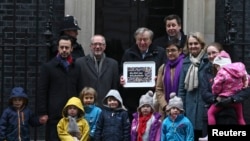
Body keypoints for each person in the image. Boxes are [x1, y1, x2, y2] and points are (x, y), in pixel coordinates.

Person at [199, 42, 250, 141]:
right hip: (213, 115)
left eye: (214, 53)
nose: (211, 56)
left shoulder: (236, 69)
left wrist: (232, 99)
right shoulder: (206, 72)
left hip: (231, 116)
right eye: (208, 54)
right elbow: (204, 93)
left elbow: (246, 89)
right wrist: (216, 98)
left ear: (221, 53)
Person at [37, 35, 83, 141]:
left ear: (71, 49)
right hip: (54, 114)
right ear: (58, 48)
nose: (64, 50)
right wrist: (42, 112)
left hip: (72, 114)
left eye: (67, 48)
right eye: (62, 47)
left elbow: (80, 89)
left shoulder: (77, 67)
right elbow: (42, 91)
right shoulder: (48, 67)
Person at [120, 27, 166, 121]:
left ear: (151, 40)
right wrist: (121, 78)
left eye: (145, 39)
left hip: (153, 97)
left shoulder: (160, 52)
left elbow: (165, 71)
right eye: (139, 40)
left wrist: (160, 78)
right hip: (133, 99)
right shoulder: (128, 53)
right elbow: (121, 71)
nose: (142, 42)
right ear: (135, 40)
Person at [178, 32, 209, 141]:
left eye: (196, 43)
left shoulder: (208, 61)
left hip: (204, 107)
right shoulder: (185, 62)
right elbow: (181, 89)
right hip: (189, 108)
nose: (193, 46)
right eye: (190, 44)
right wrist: (181, 109)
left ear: (201, 44)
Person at [76, 35, 119, 107]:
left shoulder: (113, 64)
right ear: (90, 46)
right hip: (86, 108)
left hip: (106, 107)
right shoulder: (80, 63)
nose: (98, 47)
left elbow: (114, 88)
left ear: (105, 47)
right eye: (95, 44)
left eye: (100, 44)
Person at [208, 50, 248, 125]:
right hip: (236, 99)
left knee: (210, 113)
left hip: (223, 98)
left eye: (216, 66)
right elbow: (247, 78)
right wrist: (245, 85)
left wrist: (215, 93)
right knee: (240, 117)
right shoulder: (240, 69)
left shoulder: (221, 72)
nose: (216, 68)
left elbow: (217, 85)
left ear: (219, 65)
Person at [155, 38, 185, 120]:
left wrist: (178, 107)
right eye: (167, 51)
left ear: (180, 51)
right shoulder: (163, 68)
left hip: (183, 109)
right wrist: (166, 106)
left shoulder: (185, 65)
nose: (170, 53)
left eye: (173, 50)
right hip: (166, 111)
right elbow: (159, 89)